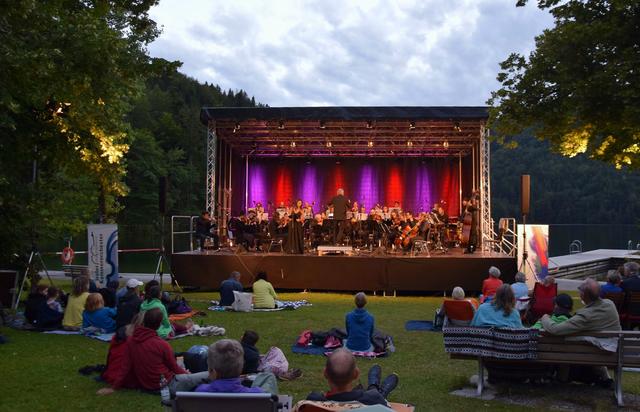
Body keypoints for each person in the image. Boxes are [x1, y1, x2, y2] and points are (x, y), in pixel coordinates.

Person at [540, 278, 621, 387]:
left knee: (563, 341)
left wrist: (545, 318)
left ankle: (561, 378)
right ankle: (605, 379)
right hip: (614, 350)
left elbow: (555, 330)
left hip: (598, 351)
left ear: (582, 295)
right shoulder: (610, 304)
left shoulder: (585, 316)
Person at [118, 308, 209, 394]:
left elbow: (125, 365)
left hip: (151, 385)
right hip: (168, 385)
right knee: (208, 374)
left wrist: (114, 386)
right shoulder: (161, 344)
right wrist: (186, 373)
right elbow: (174, 368)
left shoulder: (131, 340)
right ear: (159, 325)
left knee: (192, 357)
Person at [305, 348, 397, 406]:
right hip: (374, 398)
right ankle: (377, 389)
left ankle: (374, 386)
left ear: (325, 373)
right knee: (376, 395)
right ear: (356, 374)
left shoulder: (313, 402)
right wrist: (378, 398)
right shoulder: (372, 400)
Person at [195, 339, 278, 394]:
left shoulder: (200, 392)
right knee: (269, 376)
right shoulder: (258, 395)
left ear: (213, 372)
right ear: (241, 368)